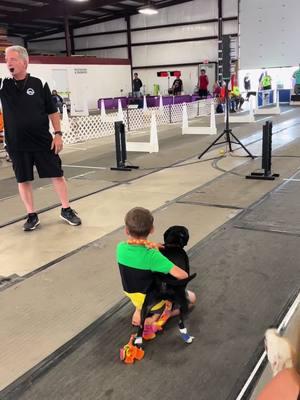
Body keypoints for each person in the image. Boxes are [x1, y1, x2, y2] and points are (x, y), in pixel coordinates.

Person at [0, 45, 81, 231]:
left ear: (24, 62)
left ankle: (66, 209)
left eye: (12, 59)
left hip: (43, 141)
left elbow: (52, 111)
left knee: (57, 175)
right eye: (6, 60)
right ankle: (31, 215)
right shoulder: (3, 84)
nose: (8, 63)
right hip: (16, 144)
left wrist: (58, 134)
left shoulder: (39, 83)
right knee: (23, 180)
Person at [117, 207, 189, 340]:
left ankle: (139, 310)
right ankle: (156, 317)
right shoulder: (153, 256)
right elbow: (183, 275)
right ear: (152, 229)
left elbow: (137, 247)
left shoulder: (120, 248)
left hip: (132, 294)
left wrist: (152, 245)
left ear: (126, 230)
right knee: (191, 298)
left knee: (142, 283)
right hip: (151, 299)